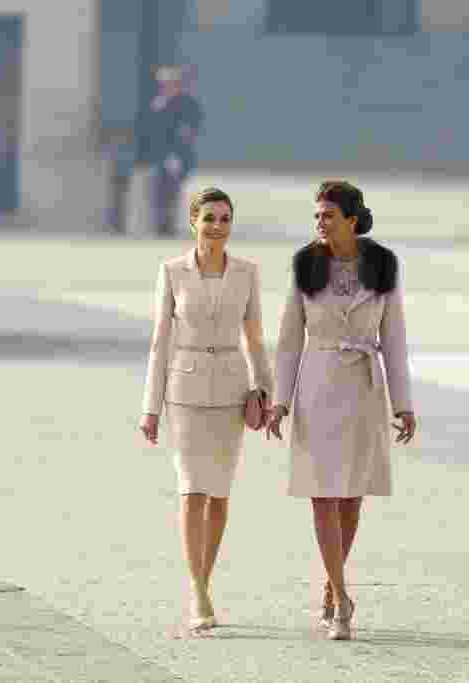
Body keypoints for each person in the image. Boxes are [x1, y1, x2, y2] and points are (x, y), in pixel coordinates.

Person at [266, 180, 416, 641]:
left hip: (364, 390)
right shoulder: (306, 264)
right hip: (317, 385)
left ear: (352, 219)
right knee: (321, 494)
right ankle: (341, 595)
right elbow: (290, 338)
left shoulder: (383, 265)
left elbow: (394, 339)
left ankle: (333, 588)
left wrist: (404, 404)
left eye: (328, 215)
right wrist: (280, 401)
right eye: (316, 216)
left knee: (352, 495)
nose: (320, 223)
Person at [139, 186, 272, 635]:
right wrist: (150, 407)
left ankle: (205, 579)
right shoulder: (172, 271)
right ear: (193, 221)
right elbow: (160, 340)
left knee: (219, 496)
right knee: (192, 489)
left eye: (225, 219)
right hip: (185, 389)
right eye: (210, 218)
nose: (218, 226)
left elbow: (255, 338)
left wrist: (266, 391)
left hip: (233, 391)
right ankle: (197, 591)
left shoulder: (248, 273)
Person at [142, 66, 203, 236]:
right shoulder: (158, 102)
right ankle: (159, 227)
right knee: (157, 193)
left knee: (171, 193)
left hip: (176, 157)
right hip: (158, 157)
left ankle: (168, 228)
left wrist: (176, 155)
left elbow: (186, 132)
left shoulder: (187, 104)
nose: (165, 87)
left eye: (169, 83)